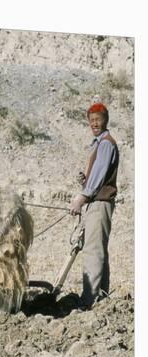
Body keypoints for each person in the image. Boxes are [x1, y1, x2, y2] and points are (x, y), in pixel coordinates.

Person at [69, 102, 119, 308]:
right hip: (99, 202)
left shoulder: (105, 143)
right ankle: (101, 297)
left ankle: (89, 300)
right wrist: (86, 180)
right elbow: (96, 176)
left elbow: (98, 178)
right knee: (98, 249)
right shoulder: (99, 144)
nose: (94, 124)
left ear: (105, 120)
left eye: (98, 120)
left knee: (92, 250)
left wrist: (80, 199)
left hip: (99, 203)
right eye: (91, 121)